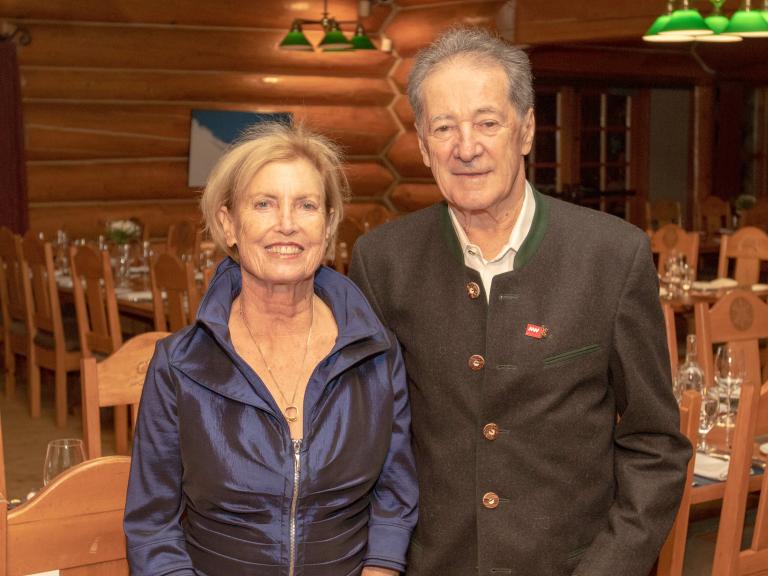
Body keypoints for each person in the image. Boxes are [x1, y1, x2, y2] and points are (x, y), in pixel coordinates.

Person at [349, 28, 691, 576]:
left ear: (526, 129)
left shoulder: (612, 256)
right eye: (444, 127)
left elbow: (655, 445)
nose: (466, 148)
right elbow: (369, 440)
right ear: (423, 145)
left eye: (488, 122)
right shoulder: (382, 261)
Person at [124, 122, 417, 576]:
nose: (287, 224)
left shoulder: (376, 354)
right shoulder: (180, 365)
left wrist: (381, 571)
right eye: (264, 204)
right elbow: (152, 528)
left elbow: (395, 498)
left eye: (306, 205)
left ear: (328, 225)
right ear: (229, 224)